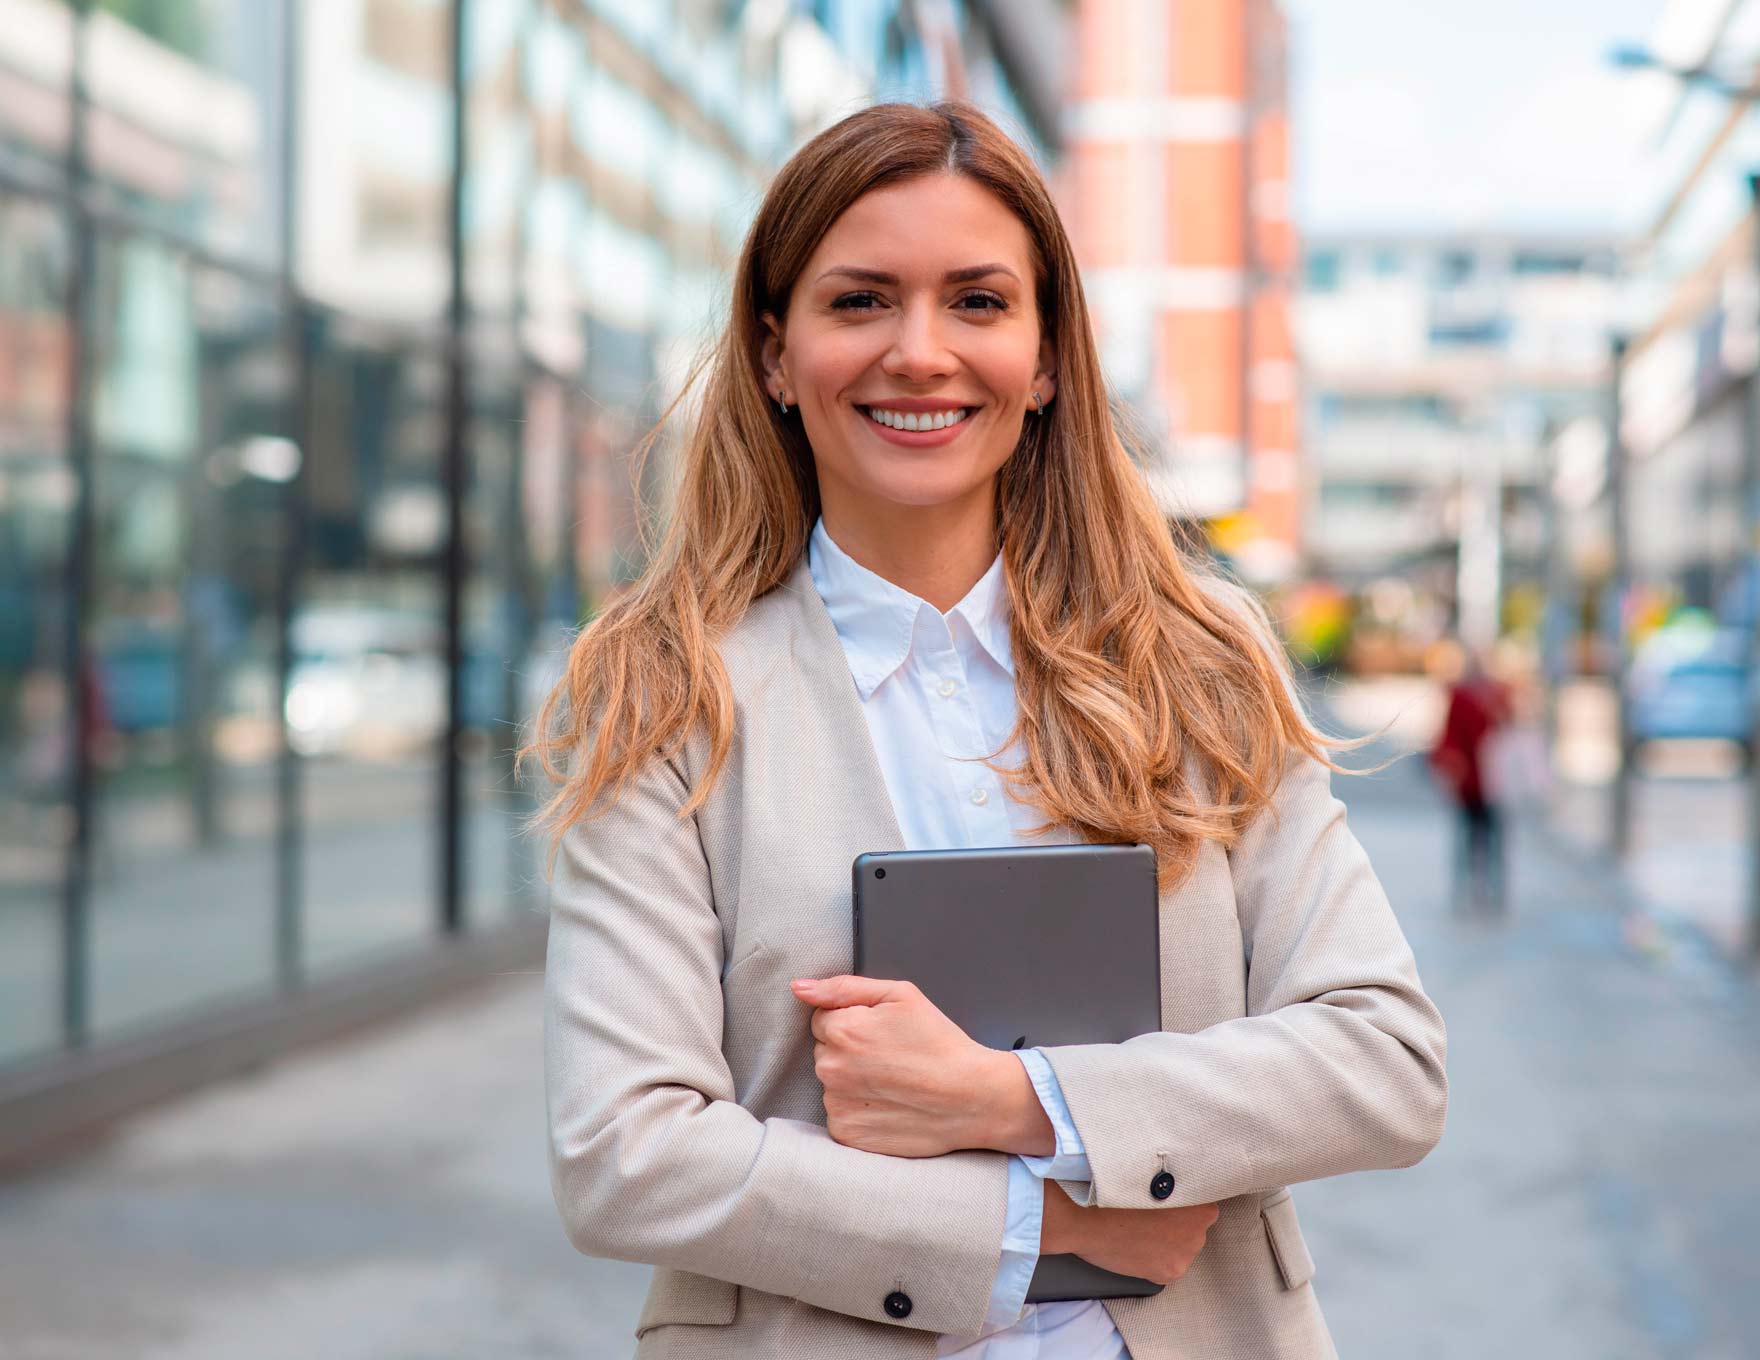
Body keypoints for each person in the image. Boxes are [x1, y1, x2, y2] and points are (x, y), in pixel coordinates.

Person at [523, 100, 1447, 1360]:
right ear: (774, 355)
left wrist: (1012, 1099)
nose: (918, 351)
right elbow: (624, 1152)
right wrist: (1038, 1221)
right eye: (858, 302)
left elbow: (1381, 1057)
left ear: (1047, 354)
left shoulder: (1196, 665)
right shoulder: (662, 692)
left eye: (975, 301)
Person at [1429, 646, 1513, 914]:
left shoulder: (1494, 695)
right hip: (1476, 782)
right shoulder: (1465, 696)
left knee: (1483, 838)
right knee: (1476, 837)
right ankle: (1475, 888)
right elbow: (1450, 736)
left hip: (1487, 781)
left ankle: (1486, 888)